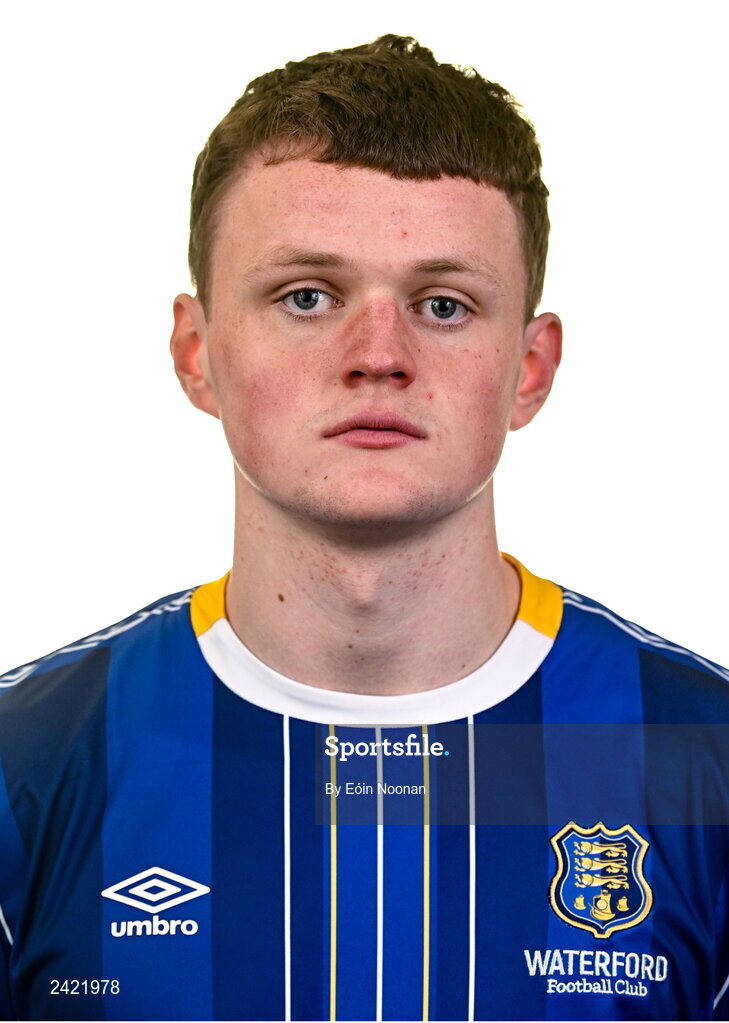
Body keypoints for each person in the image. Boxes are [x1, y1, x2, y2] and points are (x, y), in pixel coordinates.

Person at [0, 33, 727, 1023]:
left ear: (530, 367)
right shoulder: (27, 764)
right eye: (307, 296)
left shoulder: (702, 761)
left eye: (443, 304)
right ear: (196, 350)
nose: (379, 354)